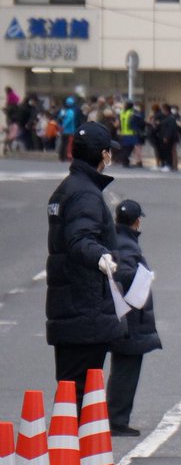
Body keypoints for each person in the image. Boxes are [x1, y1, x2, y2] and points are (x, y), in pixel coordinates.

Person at [46, 122, 125, 403]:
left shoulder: (67, 188)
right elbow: (80, 239)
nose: (110, 157)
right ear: (102, 154)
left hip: (69, 308)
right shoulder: (85, 194)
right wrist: (102, 257)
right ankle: (72, 447)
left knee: (71, 390)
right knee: (79, 393)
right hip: (84, 309)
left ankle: (70, 444)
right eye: (108, 152)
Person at [108, 200, 162, 437]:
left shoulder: (115, 240)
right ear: (136, 220)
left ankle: (114, 417)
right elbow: (126, 275)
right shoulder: (128, 246)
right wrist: (144, 277)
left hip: (120, 316)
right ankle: (117, 420)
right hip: (130, 318)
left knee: (121, 368)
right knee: (126, 371)